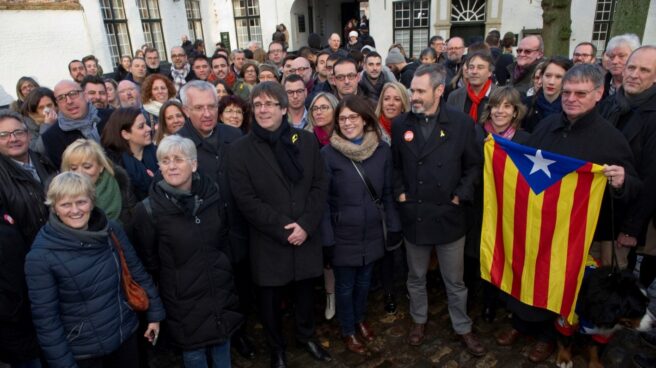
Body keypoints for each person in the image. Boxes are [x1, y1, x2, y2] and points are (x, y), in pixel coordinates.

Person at [497, 64, 640, 363]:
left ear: (599, 93)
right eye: (567, 92)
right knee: (532, 277)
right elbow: (525, 169)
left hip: (583, 235)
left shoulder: (611, 139)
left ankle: (550, 339)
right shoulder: (547, 126)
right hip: (544, 227)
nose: (571, 98)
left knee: (569, 292)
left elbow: (635, 187)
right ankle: (522, 326)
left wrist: (621, 182)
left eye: (581, 93)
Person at [229, 81, 331, 368]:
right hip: (269, 238)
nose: (262, 110)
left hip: (305, 234)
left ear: (284, 108)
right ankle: (277, 348)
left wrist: (306, 226)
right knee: (270, 300)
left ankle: (306, 335)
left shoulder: (306, 141)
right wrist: (285, 228)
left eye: (269, 104)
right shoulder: (240, 150)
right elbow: (246, 199)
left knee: (305, 291)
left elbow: (319, 185)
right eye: (257, 104)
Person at [25, 171, 165, 368]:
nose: (75, 210)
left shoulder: (111, 230)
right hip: (86, 354)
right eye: (65, 204)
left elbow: (136, 271)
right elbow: (47, 322)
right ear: (54, 208)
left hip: (126, 336)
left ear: (92, 201)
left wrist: (154, 314)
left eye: (81, 202)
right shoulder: (40, 258)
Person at [391, 64, 485, 356]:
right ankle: (419, 319)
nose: (414, 96)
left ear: (439, 90)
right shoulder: (401, 124)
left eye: (420, 91)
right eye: (412, 90)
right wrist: (401, 193)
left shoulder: (461, 124)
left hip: (449, 215)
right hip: (415, 214)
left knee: (454, 280)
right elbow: (395, 167)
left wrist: (460, 195)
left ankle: (462, 326)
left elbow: (473, 165)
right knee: (416, 276)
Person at [130, 135, 242, 368]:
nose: (171, 166)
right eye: (165, 160)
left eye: (178, 159)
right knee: (194, 355)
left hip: (219, 291)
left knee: (222, 347)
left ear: (193, 164)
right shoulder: (148, 211)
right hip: (182, 300)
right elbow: (150, 262)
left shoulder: (214, 195)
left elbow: (225, 239)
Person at [176, 81, 254, 360]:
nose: (207, 113)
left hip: (240, 229)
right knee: (215, 295)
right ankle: (226, 339)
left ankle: (242, 333)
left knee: (242, 288)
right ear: (186, 110)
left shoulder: (234, 135)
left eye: (211, 106)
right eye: (199, 108)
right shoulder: (178, 146)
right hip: (205, 238)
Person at [320, 95, 402, 355]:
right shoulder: (328, 154)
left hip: (374, 230)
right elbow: (321, 201)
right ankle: (348, 330)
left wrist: (393, 224)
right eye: (342, 118)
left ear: (365, 118)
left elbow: (388, 192)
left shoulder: (382, 150)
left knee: (365, 282)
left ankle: (358, 319)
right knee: (345, 286)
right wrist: (327, 239)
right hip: (343, 232)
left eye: (352, 117)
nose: (347, 123)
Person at [0, 110, 57, 368]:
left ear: (27, 134)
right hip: (23, 275)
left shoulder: (43, 162)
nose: (13, 139)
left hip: (57, 259)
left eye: (18, 132)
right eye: (4, 135)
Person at [467, 86, 529, 323]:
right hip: (479, 206)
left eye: (507, 106)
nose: (499, 111)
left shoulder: (525, 140)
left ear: (515, 112)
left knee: (504, 254)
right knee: (478, 253)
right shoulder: (476, 133)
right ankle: (479, 299)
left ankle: (498, 300)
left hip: (510, 209)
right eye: (495, 105)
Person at [599, 45, 656, 278]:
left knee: (613, 277)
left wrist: (632, 228)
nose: (634, 74)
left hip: (624, 217)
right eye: (631, 67)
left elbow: (652, 178)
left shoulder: (653, 116)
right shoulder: (609, 104)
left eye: (644, 70)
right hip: (597, 210)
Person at [61, 139, 136, 224]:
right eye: (74, 168)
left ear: (101, 166)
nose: (80, 173)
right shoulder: (59, 197)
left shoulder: (121, 186)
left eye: (87, 167)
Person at [41, 80, 103, 168]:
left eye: (73, 94)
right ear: (57, 104)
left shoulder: (111, 117)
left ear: (85, 96)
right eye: (61, 98)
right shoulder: (51, 137)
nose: (69, 101)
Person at [101, 108, 158, 200]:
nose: (148, 128)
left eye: (147, 124)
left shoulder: (158, 153)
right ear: (125, 134)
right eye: (141, 126)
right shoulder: (112, 166)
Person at [522, 57, 573, 133]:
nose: (551, 82)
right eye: (548, 75)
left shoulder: (572, 108)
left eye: (558, 77)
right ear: (542, 76)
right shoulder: (525, 105)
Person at [446, 52, 496, 123]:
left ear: (490, 72)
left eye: (480, 67)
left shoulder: (500, 96)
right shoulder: (455, 96)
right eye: (471, 67)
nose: (474, 71)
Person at [603, 33, 641, 99]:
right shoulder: (600, 83)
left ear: (635, 56)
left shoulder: (643, 86)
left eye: (621, 56)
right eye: (611, 56)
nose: (615, 61)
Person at [20, 87, 58, 151]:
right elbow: (40, 149)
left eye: (49, 105)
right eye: (41, 107)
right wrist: (47, 125)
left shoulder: (63, 115)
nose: (47, 110)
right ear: (34, 110)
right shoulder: (27, 125)